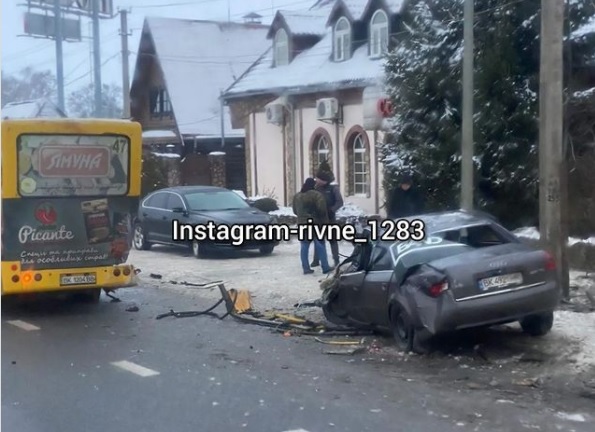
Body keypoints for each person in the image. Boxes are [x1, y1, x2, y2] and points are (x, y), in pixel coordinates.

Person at [292, 178, 334, 275]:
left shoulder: (297, 196)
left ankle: (306, 268)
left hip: (302, 223)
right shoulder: (317, 195)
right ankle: (325, 267)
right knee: (320, 245)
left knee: (304, 246)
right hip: (315, 223)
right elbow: (322, 210)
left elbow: (295, 211)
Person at [310, 161, 343, 268]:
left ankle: (336, 260)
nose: (316, 180)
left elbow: (339, 202)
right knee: (318, 239)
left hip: (330, 219)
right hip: (318, 218)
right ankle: (316, 260)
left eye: (318, 178)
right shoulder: (315, 189)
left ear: (323, 180)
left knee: (332, 240)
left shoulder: (333, 188)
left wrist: (332, 210)